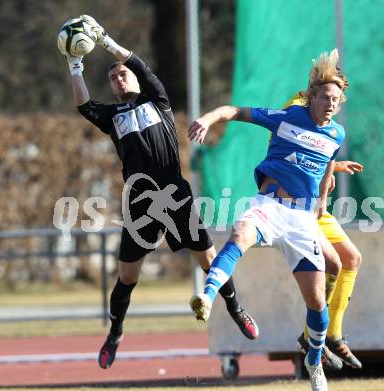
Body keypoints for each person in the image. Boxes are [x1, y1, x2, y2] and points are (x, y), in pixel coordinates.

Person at [58, 15, 259, 370]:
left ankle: (236, 309)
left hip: (175, 194)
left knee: (209, 262)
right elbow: (84, 106)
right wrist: (75, 67)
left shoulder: (157, 99)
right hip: (140, 203)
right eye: (112, 77)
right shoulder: (113, 115)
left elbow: (138, 64)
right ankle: (115, 333)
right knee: (127, 277)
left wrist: (105, 40)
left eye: (122, 74)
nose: (118, 79)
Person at [189, 49, 348, 391]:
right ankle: (207, 296)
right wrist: (207, 119)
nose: (331, 104)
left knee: (317, 303)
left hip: (302, 220)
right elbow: (235, 111)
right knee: (238, 234)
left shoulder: (336, 135)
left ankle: (313, 361)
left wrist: (321, 203)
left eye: (336, 99)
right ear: (311, 96)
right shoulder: (287, 116)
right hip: (269, 205)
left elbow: (325, 167)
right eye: (325, 98)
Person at [282, 90, 364, 370]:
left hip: (317, 206)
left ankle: (333, 334)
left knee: (352, 259)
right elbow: (286, 152)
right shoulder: (296, 108)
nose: (334, 102)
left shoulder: (328, 117)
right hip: (295, 205)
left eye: (339, 95)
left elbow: (321, 151)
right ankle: (311, 338)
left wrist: (333, 168)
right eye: (330, 93)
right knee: (334, 263)